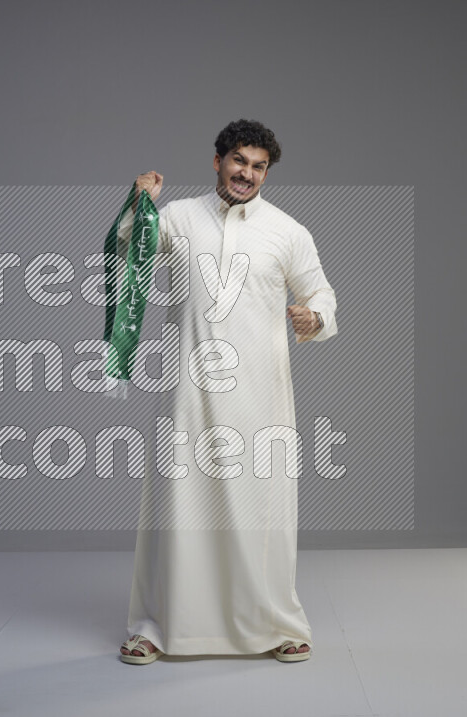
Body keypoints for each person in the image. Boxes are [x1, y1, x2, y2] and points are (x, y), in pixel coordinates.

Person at [114, 119, 338, 664]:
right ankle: (156, 626)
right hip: (188, 393)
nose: (247, 174)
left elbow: (321, 294)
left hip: (261, 395)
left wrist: (314, 318)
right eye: (239, 161)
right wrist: (139, 204)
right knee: (179, 505)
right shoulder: (179, 218)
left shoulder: (287, 231)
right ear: (218, 161)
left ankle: (277, 623)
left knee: (261, 507)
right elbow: (128, 250)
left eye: (259, 167)